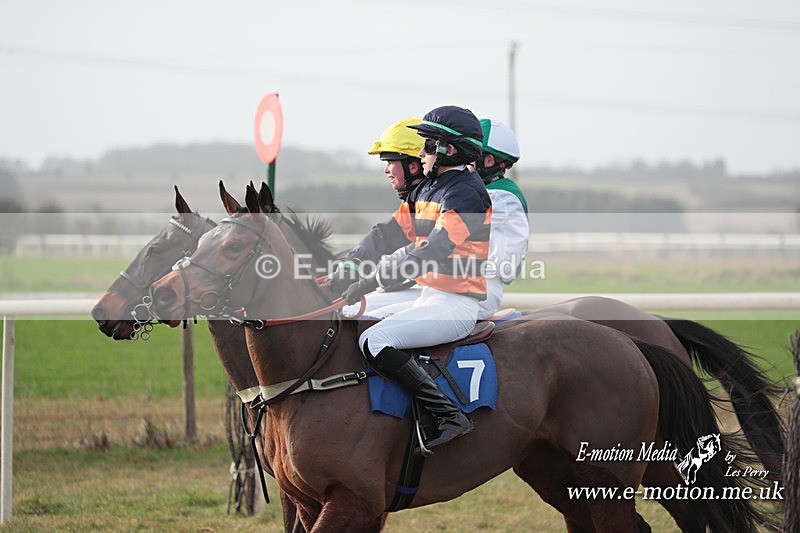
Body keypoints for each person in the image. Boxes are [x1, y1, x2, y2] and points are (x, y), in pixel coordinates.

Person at [329, 105, 491, 451]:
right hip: (426, 296)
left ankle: (448, 415)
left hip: (456, 304)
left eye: (427, 145)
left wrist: (371, 280)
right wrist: (351, 266)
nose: (420, 154)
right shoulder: (427, 190)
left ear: (449, 149)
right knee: (346, 313)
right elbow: (385, 234)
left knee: (374, 341)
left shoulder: (467, 192)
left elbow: (434, 250)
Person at [473, 119, 529, 319]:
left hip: (480, 292)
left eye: (470, 155)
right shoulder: (487, 190)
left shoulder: (501, 196)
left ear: (488, 161)